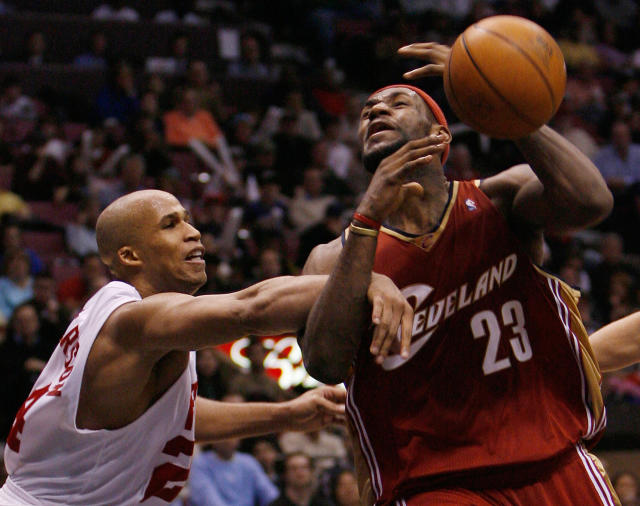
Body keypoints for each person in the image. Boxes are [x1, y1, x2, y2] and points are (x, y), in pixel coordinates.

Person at [299, 42, 619, 505]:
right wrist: (366, 218)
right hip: (436, 482)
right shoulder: (334, 258)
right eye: (367, 112)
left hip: (553, 457)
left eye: (397, 103)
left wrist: (503, 101)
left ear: (440, 136)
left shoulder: (500, 200)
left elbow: (592, 202)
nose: (376, 112)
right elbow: (324, 365)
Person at [0, 188, 406, 505]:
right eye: (170, 224)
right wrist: (366, 280)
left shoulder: (145, 332)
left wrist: (287, 414)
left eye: (188, 220)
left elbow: (175, 418)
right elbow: (251, 308)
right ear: (129, 255)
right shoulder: (131, 320)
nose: (193, 232)